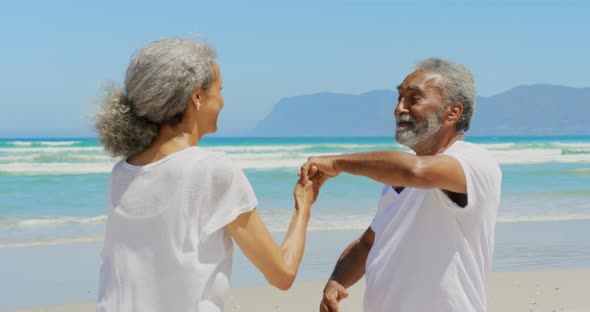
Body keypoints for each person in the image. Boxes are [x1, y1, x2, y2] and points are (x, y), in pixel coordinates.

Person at [94, 38, 321, 312]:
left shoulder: (121, 172)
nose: (223, 100)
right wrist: (303, 206)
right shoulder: (212, 169)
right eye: (219, 89)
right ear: (197, 96)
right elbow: (282, 274)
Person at [300, 58, 502, 312]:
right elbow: (369, 243)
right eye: (399, 98)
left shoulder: (474, 161)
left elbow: (415, 171)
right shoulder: (395, 183)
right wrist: (337, 280)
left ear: (452, 112)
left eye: (413, 99)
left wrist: (338, 163)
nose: (399, 109)